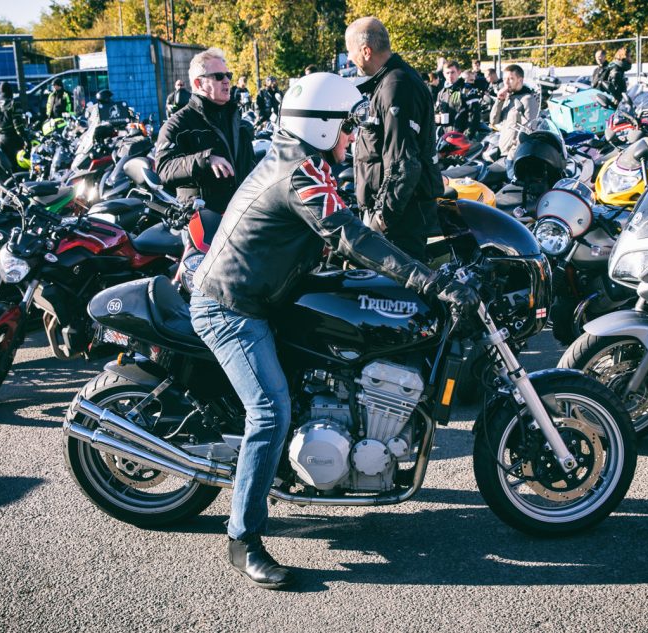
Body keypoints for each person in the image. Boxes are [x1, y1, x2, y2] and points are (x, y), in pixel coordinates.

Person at [188, 71, 478, 590]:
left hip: (264, 297)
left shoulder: (302, 161)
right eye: (347, 127)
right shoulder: (299, 173)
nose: (353, 136)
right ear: (321, 126)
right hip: (231, 307)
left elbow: (343, 227)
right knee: (270, 410)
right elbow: (351, 235)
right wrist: (428, 281)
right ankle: (243, 539)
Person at [346, 16, 442, 261]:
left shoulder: (396, 86)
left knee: (396, 296)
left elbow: (403, 163)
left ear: (366, 51)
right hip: (398, 216)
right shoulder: (390, 82)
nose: (349, 58)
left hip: (400, 222)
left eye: (350, 51)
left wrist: (381, 219)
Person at [155, 48, 254, 213]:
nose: (226, 81)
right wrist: (206, 159)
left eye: (228, 75)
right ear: (198, 83)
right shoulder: (177, 124)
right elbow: (164, 169)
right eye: (218, 76)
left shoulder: (238, 121)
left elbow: (250, 166)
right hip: (202, 220)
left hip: (241, 215)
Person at [489, 64, 540, 162]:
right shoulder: (508, 98)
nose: (506, 83)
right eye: (504, 79)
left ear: (520, 80)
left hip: (514, 157)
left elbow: (529, 131)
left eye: (511, 79)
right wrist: (499, 100)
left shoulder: (527, 100)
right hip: (502, 153)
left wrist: (512, 155)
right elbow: (493, 121)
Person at [0, 82, 28, 170]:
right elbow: (18, 124)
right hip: (13, 138)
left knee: (6, 165)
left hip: (0, 139)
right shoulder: (13, 103)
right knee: (18, 164)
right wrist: (25, 138)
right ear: (10, 91)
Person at [436, 60, 469, 135]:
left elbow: (474, 116)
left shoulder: (467, 90)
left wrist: (467, 136)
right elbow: (436, 111)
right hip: (445, 136)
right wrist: (437, 117)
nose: (450, 76)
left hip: (462, 136)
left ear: (459, 72)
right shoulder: (441, 93)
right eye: (447, 73)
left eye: (453, 72)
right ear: (444, 74)